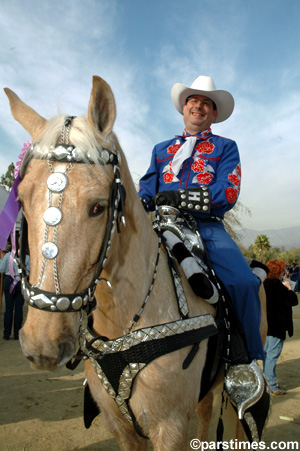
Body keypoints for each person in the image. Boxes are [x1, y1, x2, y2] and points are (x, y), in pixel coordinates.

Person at [139, 75, 265, 362]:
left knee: (243, 283)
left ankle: (248, 361)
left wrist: (180, 198)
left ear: (214, 113)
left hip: (206, 229)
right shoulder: (161, 150)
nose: (198, 106)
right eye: (193, 101)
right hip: (161, 226)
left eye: (205, 103)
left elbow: (228, 191)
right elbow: (146, 191)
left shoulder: (226, 147)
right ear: (184, 108)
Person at [263, 259, 298, 394]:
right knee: (272, 355)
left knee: (266, 354)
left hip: (265, 326)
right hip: (277, 326)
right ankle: (271, 385)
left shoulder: (263, 285)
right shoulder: (280, 287)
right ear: (279, 272)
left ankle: (266, 382)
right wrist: (289, 289)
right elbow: (293, 301)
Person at [0, 241, 30, 340]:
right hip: (20, 282)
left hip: (9, 280)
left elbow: (2, 270)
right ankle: (17, 334)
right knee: (19, 309)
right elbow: (29, 271)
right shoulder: (26, 257)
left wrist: (1, 258)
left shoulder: (8, 255)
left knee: (8, 309)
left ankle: (6, 333)